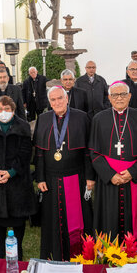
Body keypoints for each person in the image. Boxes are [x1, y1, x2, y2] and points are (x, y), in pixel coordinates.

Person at [89, 81, 137, 255]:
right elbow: (94, 152)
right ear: (109, 98)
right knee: (108, 219)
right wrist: (110, 175)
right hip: (109, 179)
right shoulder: (99, 119)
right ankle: (108, 254)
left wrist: (133, 172)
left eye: (123, 94)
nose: (119, 98)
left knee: (135, 219)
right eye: (115, 95)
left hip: (133, 178)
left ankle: (136, 254)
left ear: (129, 96)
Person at [35, 86, 94, 261]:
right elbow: (39, 151)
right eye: (53, 100)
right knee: (52, 219)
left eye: (60, 98)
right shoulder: (44, 119)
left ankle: (81, 254)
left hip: (76, 177)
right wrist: (40, 178)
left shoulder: (81, 117)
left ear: (67, 97)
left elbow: (89, 150)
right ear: (49, 102)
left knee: (79, 220)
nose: (57, 102)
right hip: (51, 179)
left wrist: (90, 177)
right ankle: (53, 254)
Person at [0, 95, 37, 260]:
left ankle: (18, 248)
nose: (4, 112)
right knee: (0, 217)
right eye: (0, 109)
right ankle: (2, 248)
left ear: (13, 110)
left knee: (18, 217)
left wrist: (11, 172)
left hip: (17, 180)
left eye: (7, 109)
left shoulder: (23, 127)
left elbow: (25, 153)